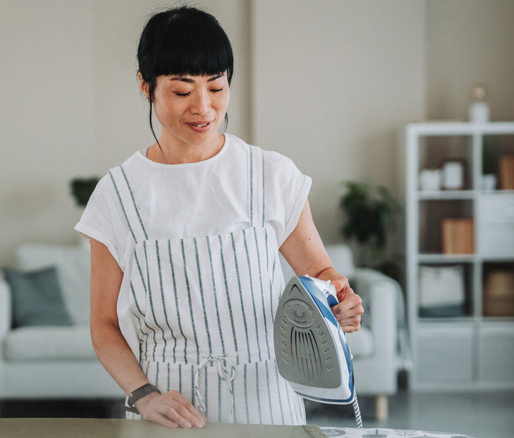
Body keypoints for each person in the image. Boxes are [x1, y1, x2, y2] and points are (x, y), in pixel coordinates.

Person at [74, 5, 363, 429]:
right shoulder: (117, 195)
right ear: (145, 86)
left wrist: (341, 300)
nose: (203, 108)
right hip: (170, 409)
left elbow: (320, 271)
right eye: (181, 90)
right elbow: (103, 324)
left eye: (216, 87)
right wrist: (143, 395)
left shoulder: (269, 174)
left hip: (269, 402)